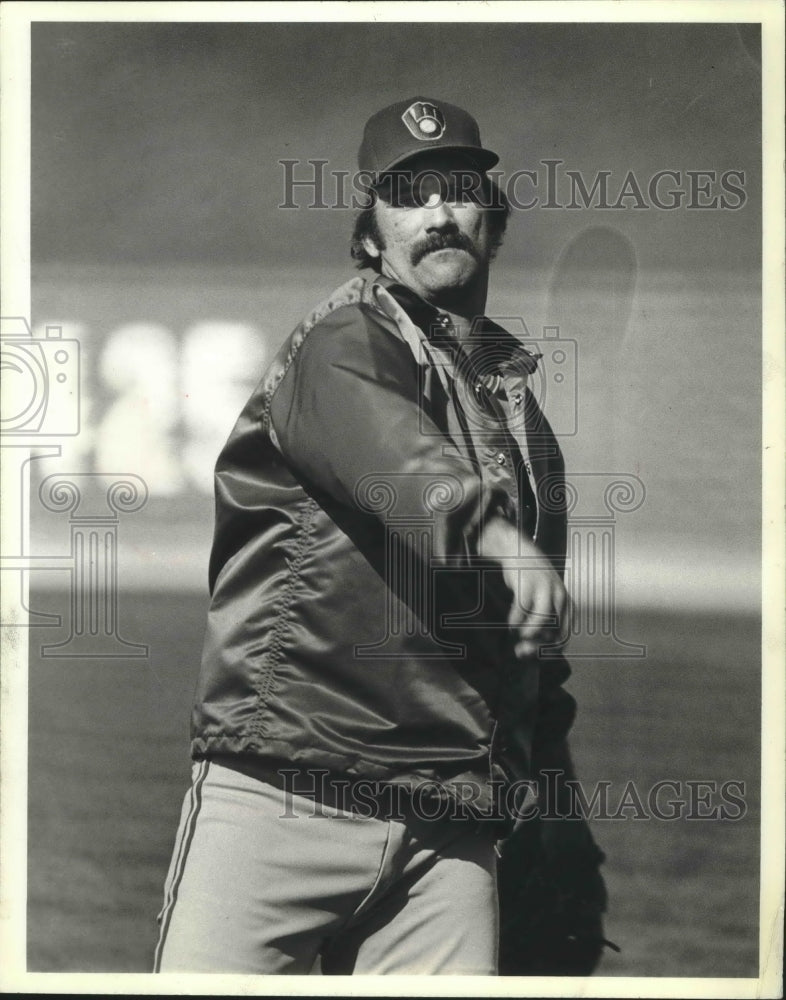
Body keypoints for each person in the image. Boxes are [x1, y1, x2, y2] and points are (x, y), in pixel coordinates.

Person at [154, 96, 609, 976]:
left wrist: (558, 824)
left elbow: (533, 663)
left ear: (493, 219)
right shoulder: (339, 348)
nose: (438, 212)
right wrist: (499, 538)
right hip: (285, 797)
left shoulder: (518, 416)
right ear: (371, 235)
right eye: (408, 195)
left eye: (457, 189)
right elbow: (395, 461)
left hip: (451, 835)